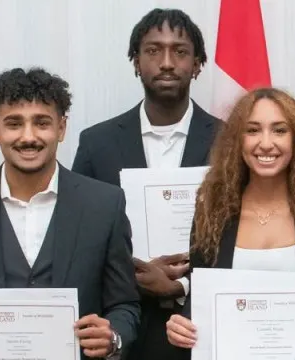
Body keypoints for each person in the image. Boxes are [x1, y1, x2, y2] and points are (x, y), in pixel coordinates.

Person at [0, 67, 139, 360]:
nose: (28, 136)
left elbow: (126, 306)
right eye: (14, 124)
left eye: (42, 123)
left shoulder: (105, 204)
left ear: (61, 127)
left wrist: (113, 337)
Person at [164, 88, 295, 359]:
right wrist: (182, 325)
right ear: (237, 140)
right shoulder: (211, 212)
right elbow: (201, 296)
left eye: (279, 130)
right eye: (252, 130)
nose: (266, 143)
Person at [70, 9, 221, 360]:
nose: (167, 62)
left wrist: (182, 284)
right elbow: (80, 234)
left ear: (197, 65)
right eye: (153, 50)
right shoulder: (97, 143)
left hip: (202, 327)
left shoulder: (230, 141)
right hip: (119, 326)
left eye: (180, 51)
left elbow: (245, 235)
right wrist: (134, 275)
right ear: (136, 62)